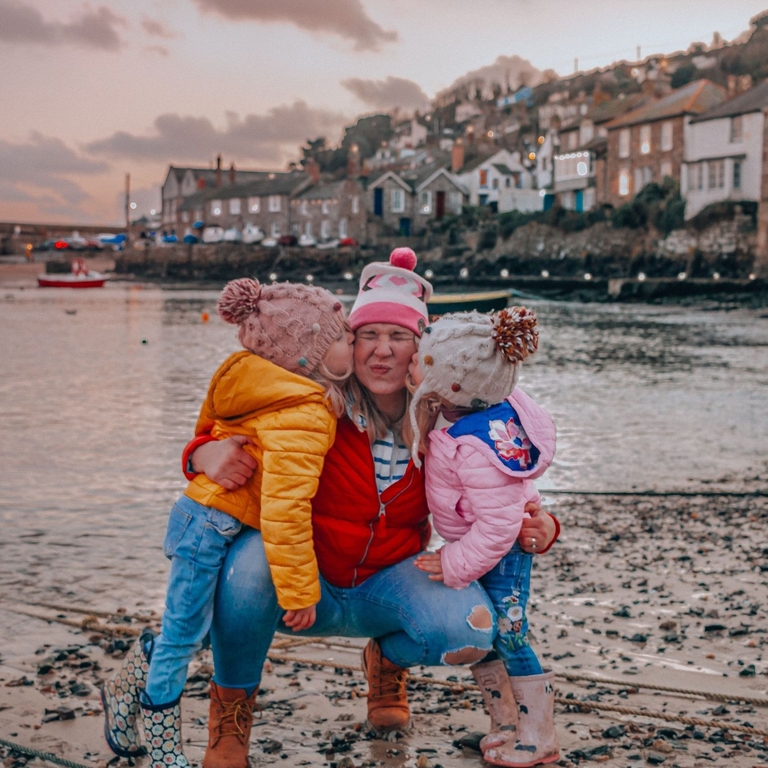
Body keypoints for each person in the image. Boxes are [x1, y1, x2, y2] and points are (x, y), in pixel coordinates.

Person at [184, 250, 561, 768]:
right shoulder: (310, 401)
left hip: (387, 583)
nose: (382, 352)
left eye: (399, 337)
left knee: (469, 629)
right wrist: (202, 453)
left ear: (421, 348)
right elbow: (220, 432)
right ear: (348, 342)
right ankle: (229, 722)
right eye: (369, 335)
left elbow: (507, 484)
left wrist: (542, 522)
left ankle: (385, 663)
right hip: (304, 586)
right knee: (247, 566)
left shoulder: (450, 415)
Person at [101, 278, 354, 768]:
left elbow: (207, 433)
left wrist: (203, 455)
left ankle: (125, 687)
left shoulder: (250, 380)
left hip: (206, 518)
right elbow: (286, 509)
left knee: (191, 629)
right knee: (182, 636)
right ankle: (163, 752)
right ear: (308, 356)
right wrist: (300, 592)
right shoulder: (305, 411)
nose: (355, 341)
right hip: (211, 525)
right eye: (342, 336)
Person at [407, 308, 558, 767]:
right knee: (488, 635)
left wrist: (453, 563)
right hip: (477, 546)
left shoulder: (475, 445)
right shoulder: (461, 412)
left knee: (510, 634)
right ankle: (505, 725)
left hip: (501, 552)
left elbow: (499, 526)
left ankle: (539, 736)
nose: (412, 363)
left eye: (421, 359)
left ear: (452, 381)